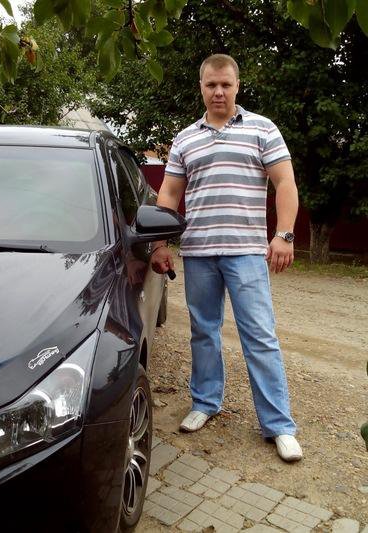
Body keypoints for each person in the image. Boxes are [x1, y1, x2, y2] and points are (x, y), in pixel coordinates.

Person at [151, 54, 302, 462]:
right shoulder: (185, 139)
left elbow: (285, 182)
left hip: (246, 252)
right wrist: (159, 243)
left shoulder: (262, 129)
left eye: (226, 85)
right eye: (211, 85)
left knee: (260, 336)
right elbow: (169, 194)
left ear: (237, 86)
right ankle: (205, 402)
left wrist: (284, 234)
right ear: (201, 87)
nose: (218, 92)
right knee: (203, 331)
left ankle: (279, 425)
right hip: (199, 252)